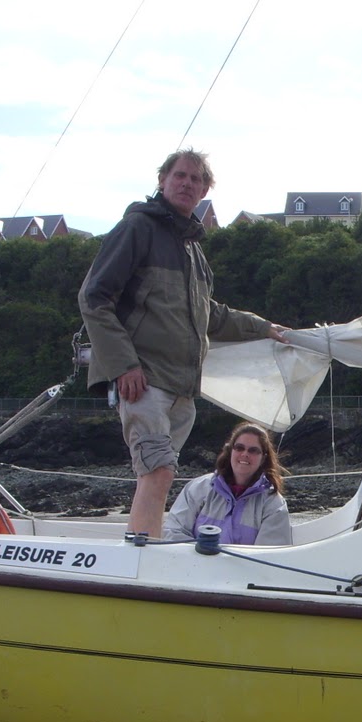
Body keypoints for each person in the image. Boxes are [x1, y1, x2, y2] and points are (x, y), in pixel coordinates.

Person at [79, 148, 288, 540]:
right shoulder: (137, 229)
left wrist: (263, 327)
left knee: (159, 472)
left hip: (182, 389)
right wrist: (124, 365)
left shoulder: (194, 250)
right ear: (162, 180)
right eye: (179, 175)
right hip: (146, 379)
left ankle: (146, 547)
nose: (186, 184)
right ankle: (143, 557)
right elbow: (93, 297)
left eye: (196, 179)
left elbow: (211, 315)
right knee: (156, 470)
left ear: (205, 189)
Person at [161, 422, 292, 547]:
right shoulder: (198, 488)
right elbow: (173, 532)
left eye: (253, 450)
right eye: (239, 448)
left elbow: (269, 555)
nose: (245, 454)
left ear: (263, 458)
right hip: (195, 567)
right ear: (230, 451)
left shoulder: (274, 505)